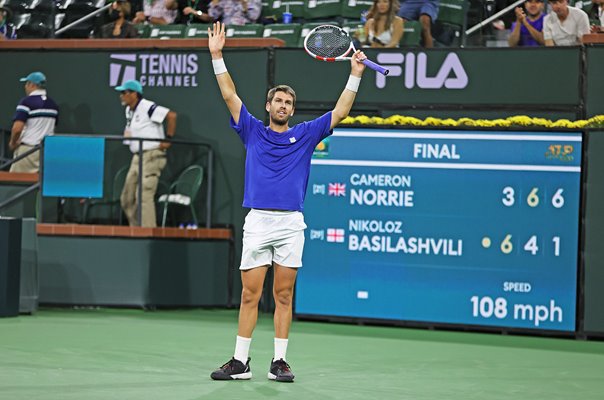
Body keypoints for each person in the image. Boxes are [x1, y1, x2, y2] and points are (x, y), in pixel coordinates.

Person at [207, 21, 367, 383]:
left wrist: (355, 74)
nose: (283, 105)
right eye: (278, 100)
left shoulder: (306, 134)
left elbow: (340, 112)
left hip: (291, 223)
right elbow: (230, 95)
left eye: (289, 102)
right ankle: (240, 361)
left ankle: (279, 362)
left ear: (292, 110)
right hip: (258, 222)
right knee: (250, 294)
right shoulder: (251, 130)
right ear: (268, 105)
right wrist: (217, 55)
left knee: (283, 294)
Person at [115, 80, 177, 228]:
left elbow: (172, 116)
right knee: (127, 198)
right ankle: (136, 231)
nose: (121, 96)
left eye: (124, 93)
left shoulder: (147, 106)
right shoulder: (129, 110)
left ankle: (148, 233)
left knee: (144, 196)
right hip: (137, 157)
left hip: (151, 155)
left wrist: (168, 139)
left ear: (134, 94)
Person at [9, 72, 59, 173]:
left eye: (27, 83)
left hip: (27, 151)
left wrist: (13, 143)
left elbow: (17, 128)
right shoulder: (53, 105)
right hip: (46, 152)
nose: (25, 87)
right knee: (39, 185)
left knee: (16, 184)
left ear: (32, 85)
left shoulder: (26, 102)